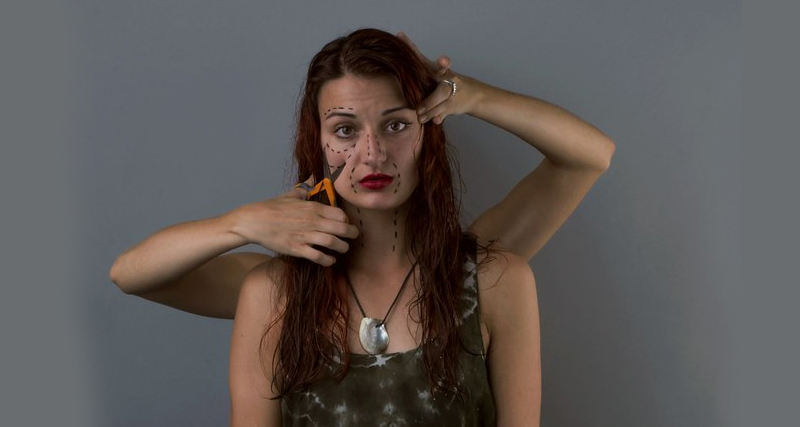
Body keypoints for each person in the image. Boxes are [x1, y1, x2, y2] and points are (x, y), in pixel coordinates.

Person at [110, 28, 615, 426]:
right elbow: (130, 274)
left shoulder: (493, 277)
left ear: (428, 132)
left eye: (395, 124)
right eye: (346, 129)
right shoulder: (275, 293)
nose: (372, 153)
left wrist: (470, 97)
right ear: (318, 141)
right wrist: (241, 223)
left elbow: (591, 155)